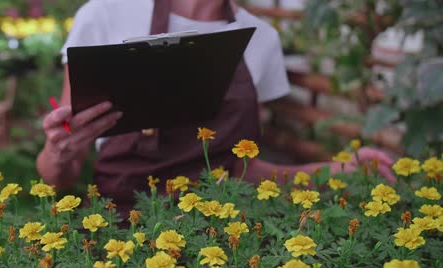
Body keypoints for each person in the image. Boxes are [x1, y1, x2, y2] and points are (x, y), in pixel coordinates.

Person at [37, 0, 394, 212]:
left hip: (222, 240)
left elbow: (240, 170)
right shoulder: (106, 14)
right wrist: (60, 150)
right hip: (122, 233)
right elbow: (58, 175)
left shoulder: (262, 39)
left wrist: (336, 171)